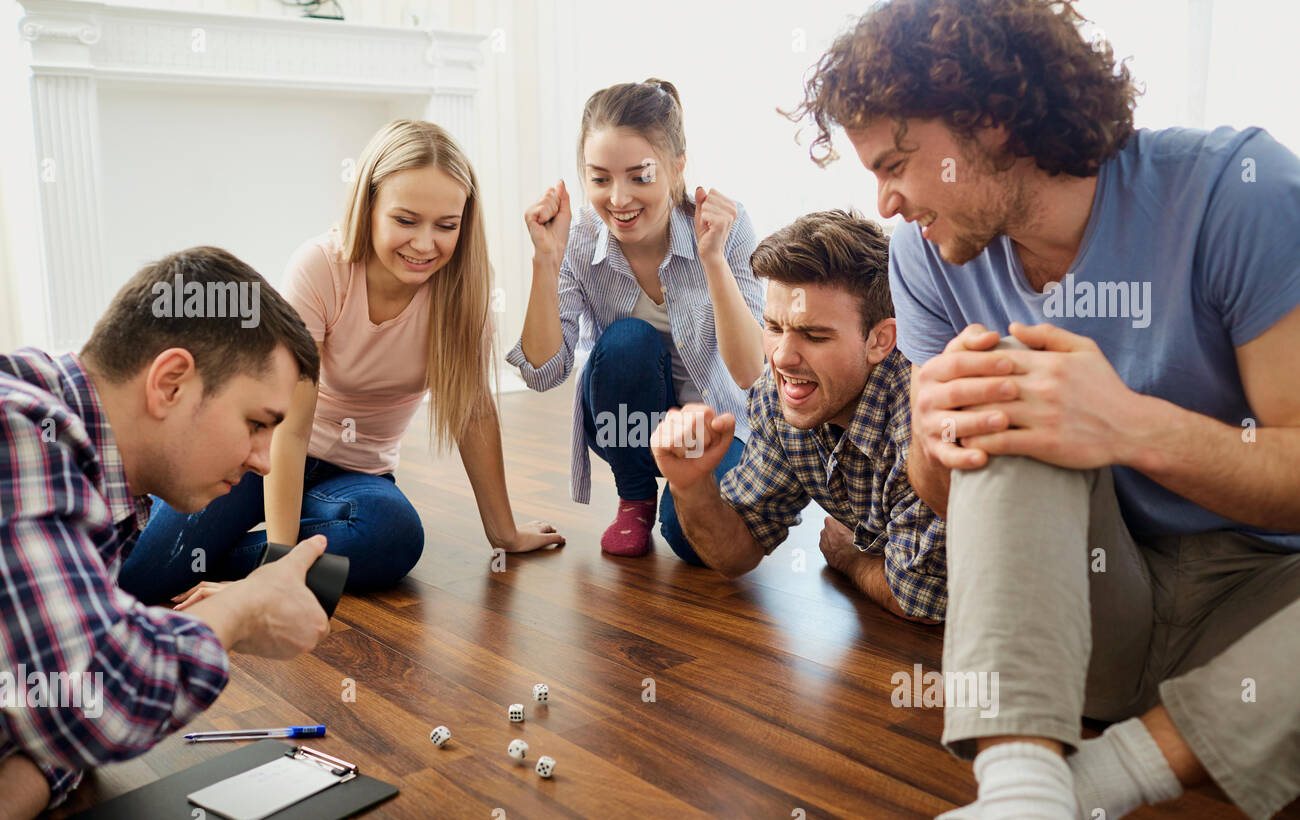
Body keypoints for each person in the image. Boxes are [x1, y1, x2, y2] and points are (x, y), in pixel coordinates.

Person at [790, 0, 1300, 820]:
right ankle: (1028, 816)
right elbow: (943, 494)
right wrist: (932, 431)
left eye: (899, 164)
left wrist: (1127, 425)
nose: (885, 200)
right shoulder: (926, 257)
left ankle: (1075, 793)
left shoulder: (1235, 194)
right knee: (1001, 396)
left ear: (991, 119)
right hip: (1084, 613)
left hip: (1264, 618)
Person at [120, 120, 563, 607]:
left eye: (446, 225)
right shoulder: (320, 268)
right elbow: (289, 427)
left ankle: (243, 564)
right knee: (140, 579)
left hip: (356, 477)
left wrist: (504, 534)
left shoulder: (464, 287)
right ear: (369, 207)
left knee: (392, 539)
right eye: (406, 220)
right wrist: (282, 563)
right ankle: (242, 552)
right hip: (259, 458)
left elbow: (472, 411)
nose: (425, 244)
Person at [0, 246, 332, 820]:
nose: (264, 460)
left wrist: (34, 760)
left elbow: (55, 727)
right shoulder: (18, 431)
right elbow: (99, 703)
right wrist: (242, 607)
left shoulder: (84, 463)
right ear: (171, 383)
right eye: (257, 423)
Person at [508, 78, 766, 560]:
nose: (619, 199)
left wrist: (713, 260)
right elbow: (543, 373)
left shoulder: (727, 227)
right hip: (625, 424)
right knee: (627, 340)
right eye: (600, 178)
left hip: (714, 421)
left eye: (639, 175)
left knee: (693, 543)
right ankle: (635, 496)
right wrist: (547, 259)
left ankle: (677, 497)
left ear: (676, 168)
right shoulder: (580, 239)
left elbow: (751, 370)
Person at [650, 210, 946, 622]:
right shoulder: (779, 397)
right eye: (773, 327)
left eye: (814, 335)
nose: (782, 357)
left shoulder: (922, 422)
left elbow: (924, 601)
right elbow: (738, 553)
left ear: (880, 341)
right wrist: (692, 485)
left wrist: (850, 559)